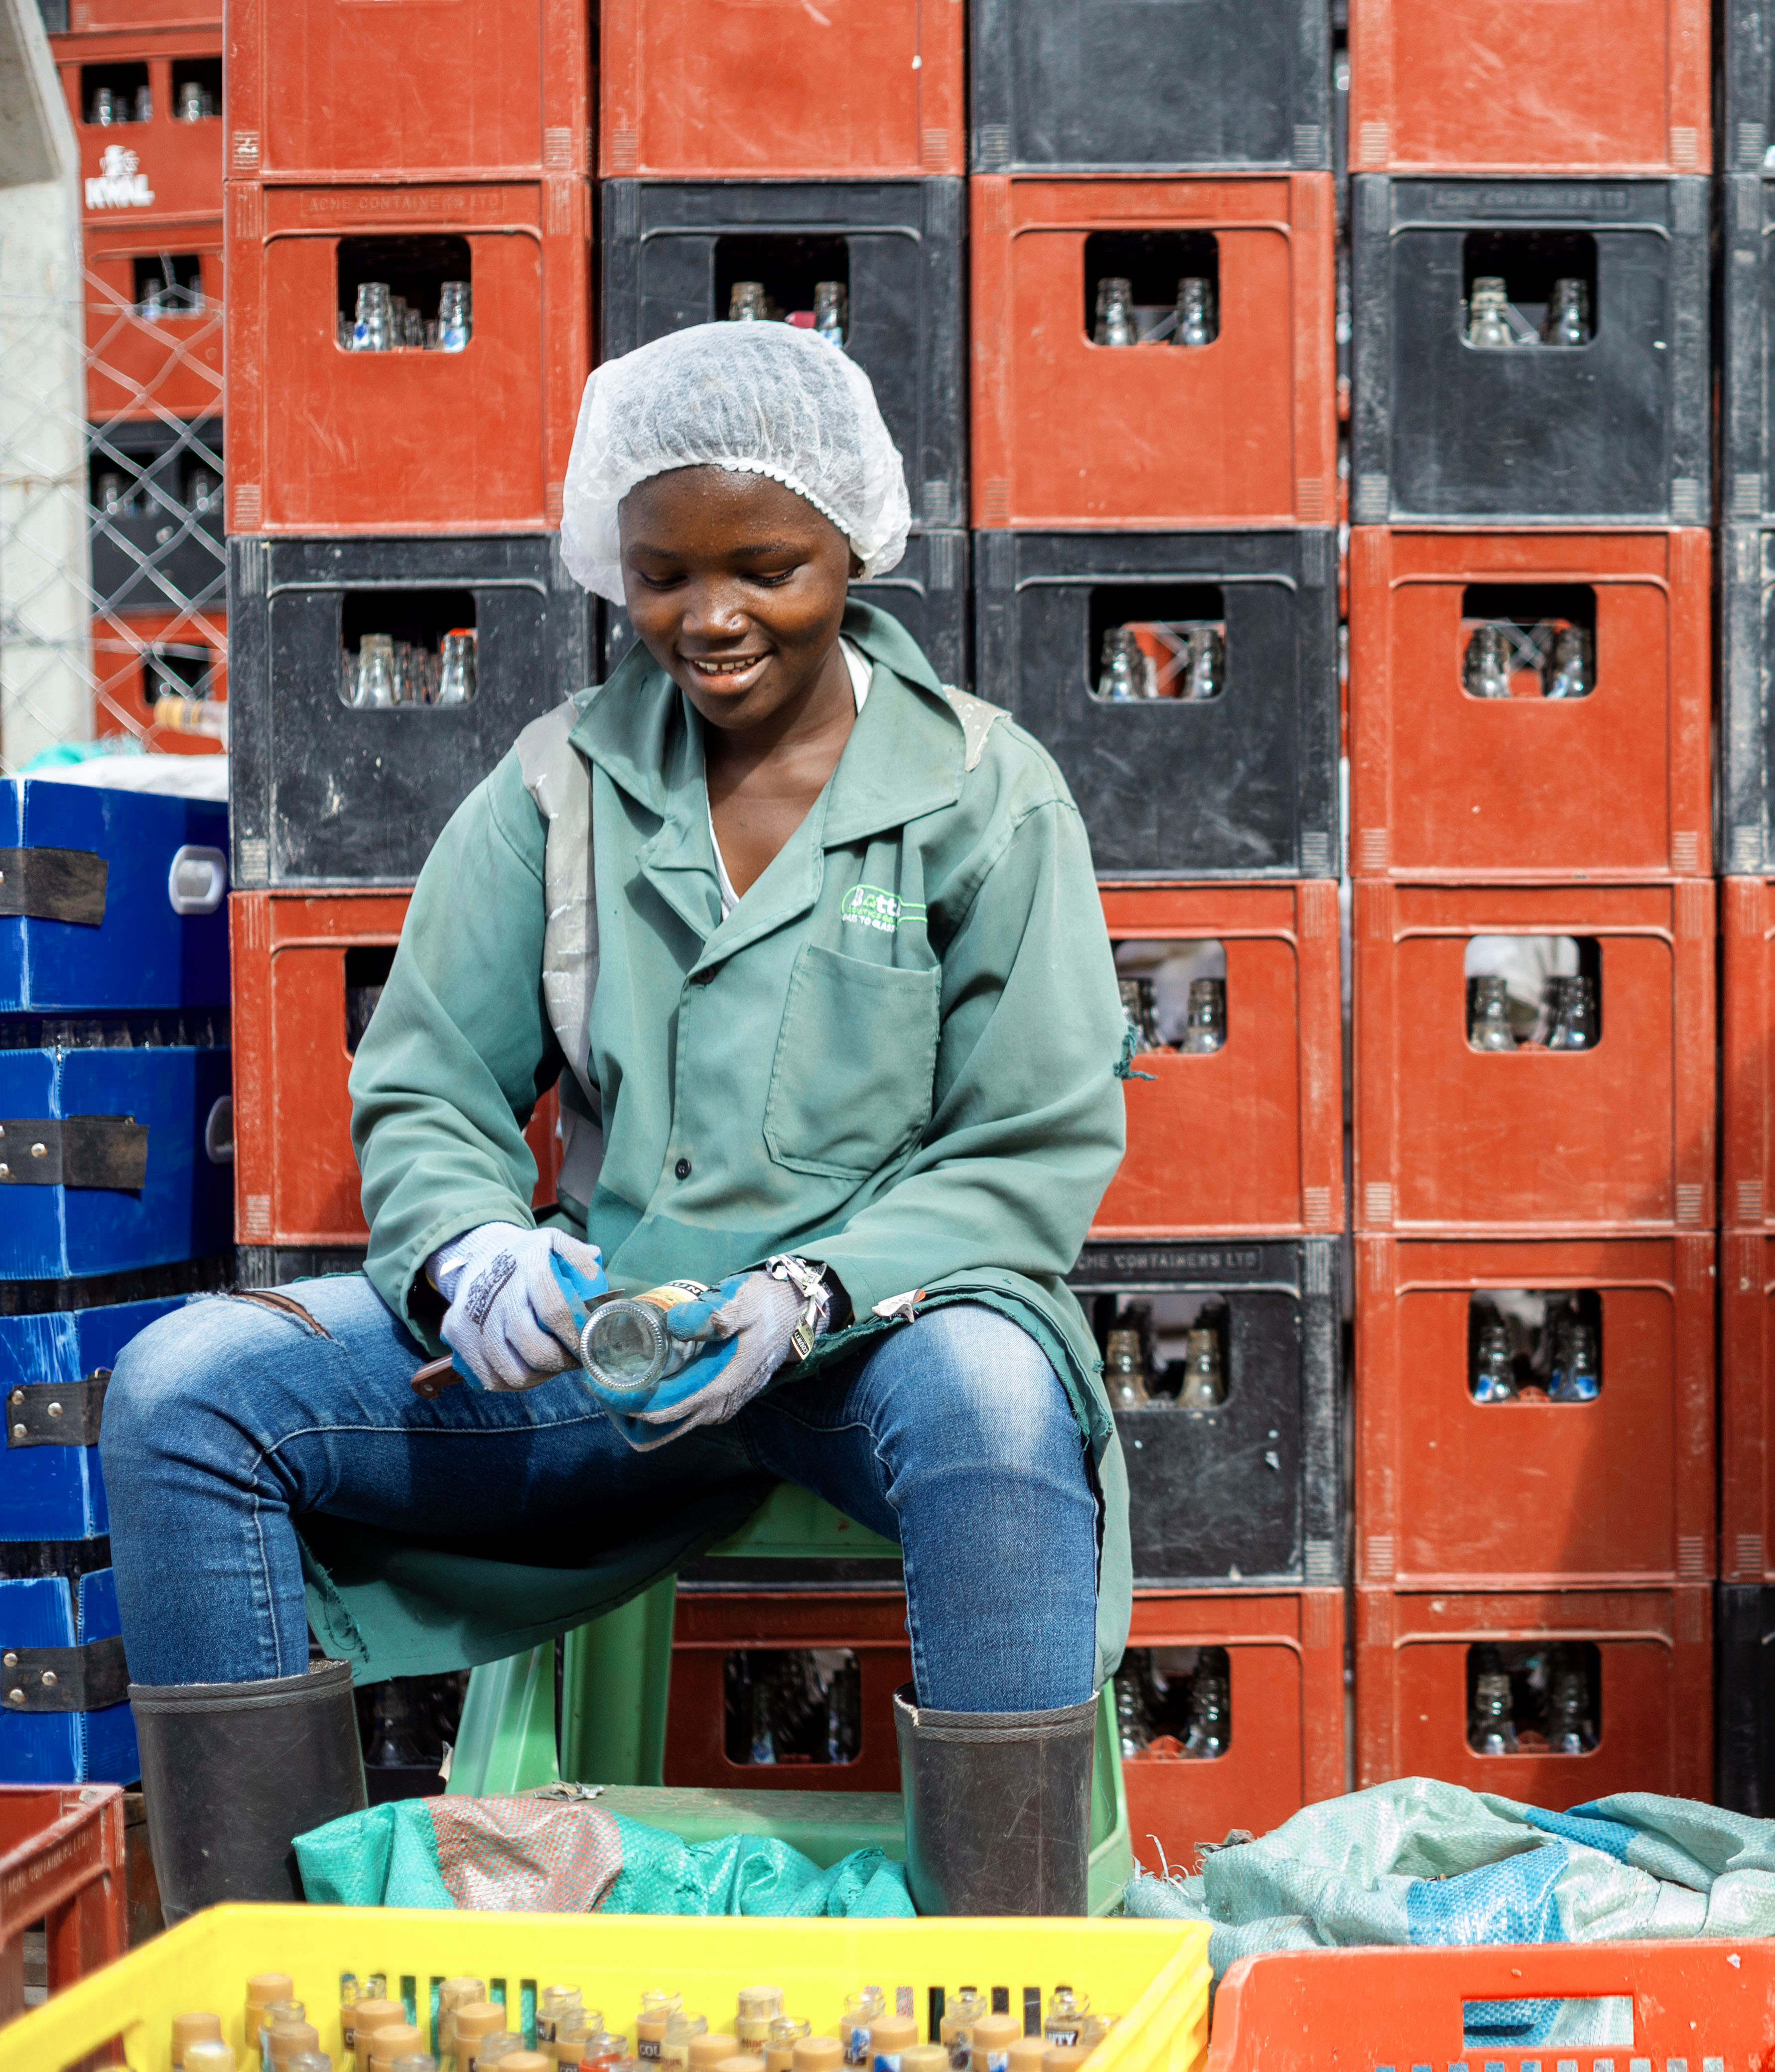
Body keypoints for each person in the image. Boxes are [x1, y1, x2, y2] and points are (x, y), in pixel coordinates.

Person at [102, 322, 1132, 1920]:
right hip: (615, 1341)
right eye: (661, 578)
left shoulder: (987, 796)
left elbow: (1029, 1145)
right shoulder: (554, 790)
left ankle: (1009, 1978)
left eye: (766, 567)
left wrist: (810, 1295)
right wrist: (470, 1253)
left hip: (871, 1346)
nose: (709, 620)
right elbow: (431, 1075)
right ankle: (262, 1962)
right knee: (187, 1392)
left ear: (854, 545)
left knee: (1003, 1408)